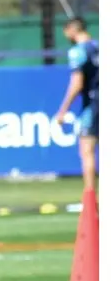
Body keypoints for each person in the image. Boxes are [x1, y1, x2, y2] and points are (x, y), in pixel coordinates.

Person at [54, 17, 99, 193]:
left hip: (93, 105)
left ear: (72, 30)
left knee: (87, 150)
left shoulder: (78, 51)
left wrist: (63, 110)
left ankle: (91, 200)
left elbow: (77, 83)